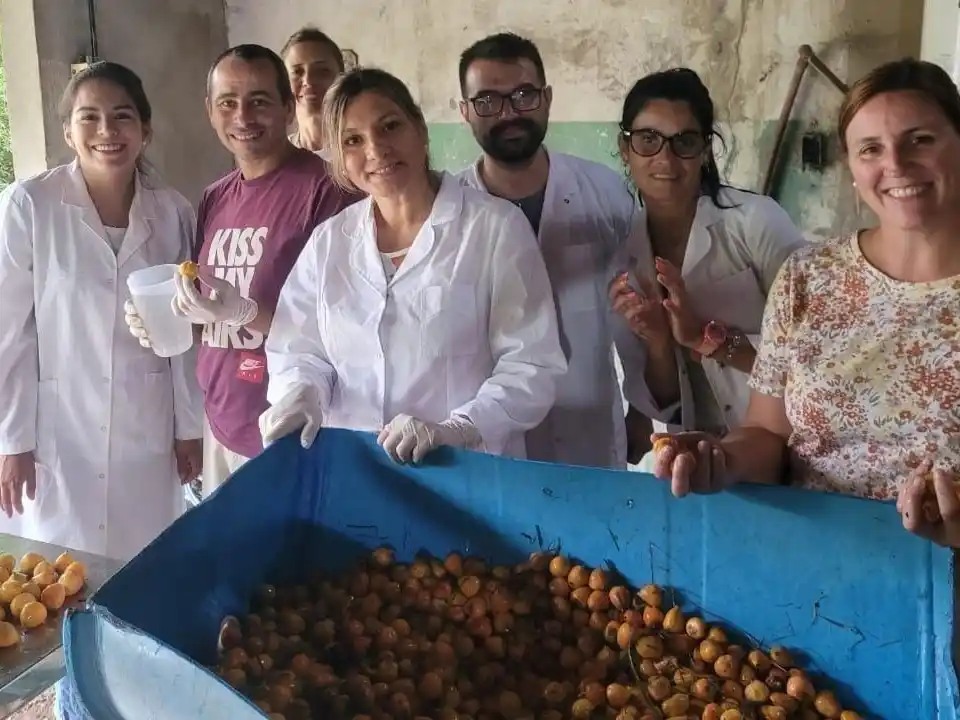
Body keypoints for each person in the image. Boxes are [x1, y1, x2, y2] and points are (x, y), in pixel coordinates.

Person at [651, 59, 960, 548]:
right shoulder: (809, 278)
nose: (896, 164)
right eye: (871, 149)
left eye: (921, 139)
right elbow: (768, 433)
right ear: (854, 171)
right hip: (814, 562)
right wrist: (724, 459)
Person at [259, 68, 567, 464]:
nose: (376, 149)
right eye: (353, 140)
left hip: (464, 473)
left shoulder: (494, 228)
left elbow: (532, 364)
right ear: (339, 158)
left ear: (419, 130)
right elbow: (299, 349)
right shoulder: (329, 242)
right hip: (357, 472)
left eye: (389, 126)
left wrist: (460, 429)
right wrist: (302, 396)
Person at [125, 44, 358, 496]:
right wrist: (169, 321)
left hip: (296, 432)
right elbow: (213, 315)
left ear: (289, 108)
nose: (244, 117)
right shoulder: (216, 197)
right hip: (223, 424)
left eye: (260, 102)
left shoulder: (328, 191)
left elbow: (344, 326)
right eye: (228, 103)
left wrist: (246, 312)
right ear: (210, 111)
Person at [0, 62, 203, 561]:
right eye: (89, 117)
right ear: (68, 131)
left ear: (146, 130)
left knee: (142, 568)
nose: (107, 131)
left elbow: (184, 332)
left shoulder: (173, 212)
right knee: (56, 577)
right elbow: (10, 333)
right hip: (58, 431)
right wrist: (12, 440)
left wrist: (189, 429)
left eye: (122, 116)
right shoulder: (30, 206)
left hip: (146, 428)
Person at [608, 68, 807, 472]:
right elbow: (664, 402)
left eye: (684, 141)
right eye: (648, 140)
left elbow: (815, 357)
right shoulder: (622, 253)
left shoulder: (755, 222)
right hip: (700, 459)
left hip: (785, 448)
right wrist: (660, 342)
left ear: (704, 150)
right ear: (625, 148)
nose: (665, 159)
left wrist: (706, 338)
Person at [456, 32, 635, 469]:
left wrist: (646, 408)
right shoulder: (449, 211)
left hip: (589, 433)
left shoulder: (604, 191)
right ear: (464, 112)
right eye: (487, 101)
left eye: (523, 95)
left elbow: (636, 310)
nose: (509, 113)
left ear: (547, 98)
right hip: (490, 437)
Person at [280, 25, 345, 157]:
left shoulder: (360, 151)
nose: (308, 81)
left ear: (341, 77)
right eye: (297, 72)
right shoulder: (278, 157)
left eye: (321, 71)